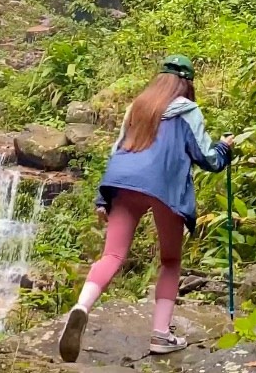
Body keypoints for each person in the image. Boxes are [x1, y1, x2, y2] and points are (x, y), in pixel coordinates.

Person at [58, 54, 234, 363]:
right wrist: (225, 148)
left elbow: (117, 150)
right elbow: (208, 159)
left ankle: (82, 306)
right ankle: (160, 335)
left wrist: (103, 198)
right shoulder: (188, 110)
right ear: (187, 84)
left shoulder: (136, 108)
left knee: (112, 255)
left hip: (122, 181)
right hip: (164, 185)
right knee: (170, 260)